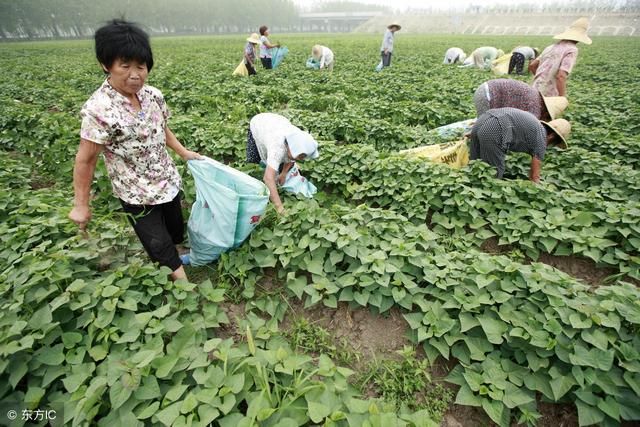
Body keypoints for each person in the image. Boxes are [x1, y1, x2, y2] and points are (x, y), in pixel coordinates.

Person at [69, 19, 201, 281]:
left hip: (166, 180)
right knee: (157, 241)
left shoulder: (153, 95)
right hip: (136, 191)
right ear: (106, 65)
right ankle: (185, 288)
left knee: (174, 229)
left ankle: (175, 254)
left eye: (141, 66)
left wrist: (183, 152)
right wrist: (81, 204)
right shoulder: (100, 110)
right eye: (125, 65)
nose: (135, 74)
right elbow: (86, 160)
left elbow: (161, 129)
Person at [469, 107, 570, 183]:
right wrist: (537, 190)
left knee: (474, 165)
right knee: (494, 172)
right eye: (552, 143)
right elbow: (535, 176)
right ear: (552, 137)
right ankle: (485, 201)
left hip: (483, 120)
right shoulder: (541, 137)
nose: (548, 146)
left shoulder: (535, 126)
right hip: (495, 128)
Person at [246, 113, 319, 214]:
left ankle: (274, 173)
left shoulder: (298, 137)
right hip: (259, 124)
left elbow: (292, 158)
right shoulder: (277, 148)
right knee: (253, 159)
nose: (301, 159)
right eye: (300, 156)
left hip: (278, 123)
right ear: (290, 148)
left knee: (280, 164)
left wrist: (284, 174)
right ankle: (252, 180)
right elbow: (268, 178)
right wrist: (279, 207)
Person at [530, 17, 592, 97]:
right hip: (549, 95)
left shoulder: (550, 47)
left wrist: (542, 80)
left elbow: (532, 66)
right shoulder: (571, 50)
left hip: (534, 89)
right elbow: (561, 76)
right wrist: (562, 98)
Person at [473, 79, 568, 121]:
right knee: (485, 128)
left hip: (484, 89)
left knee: (486, 123)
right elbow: (528, 126)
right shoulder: (535, 107)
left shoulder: (534, 95)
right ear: (546, 113)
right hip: (487, 95)